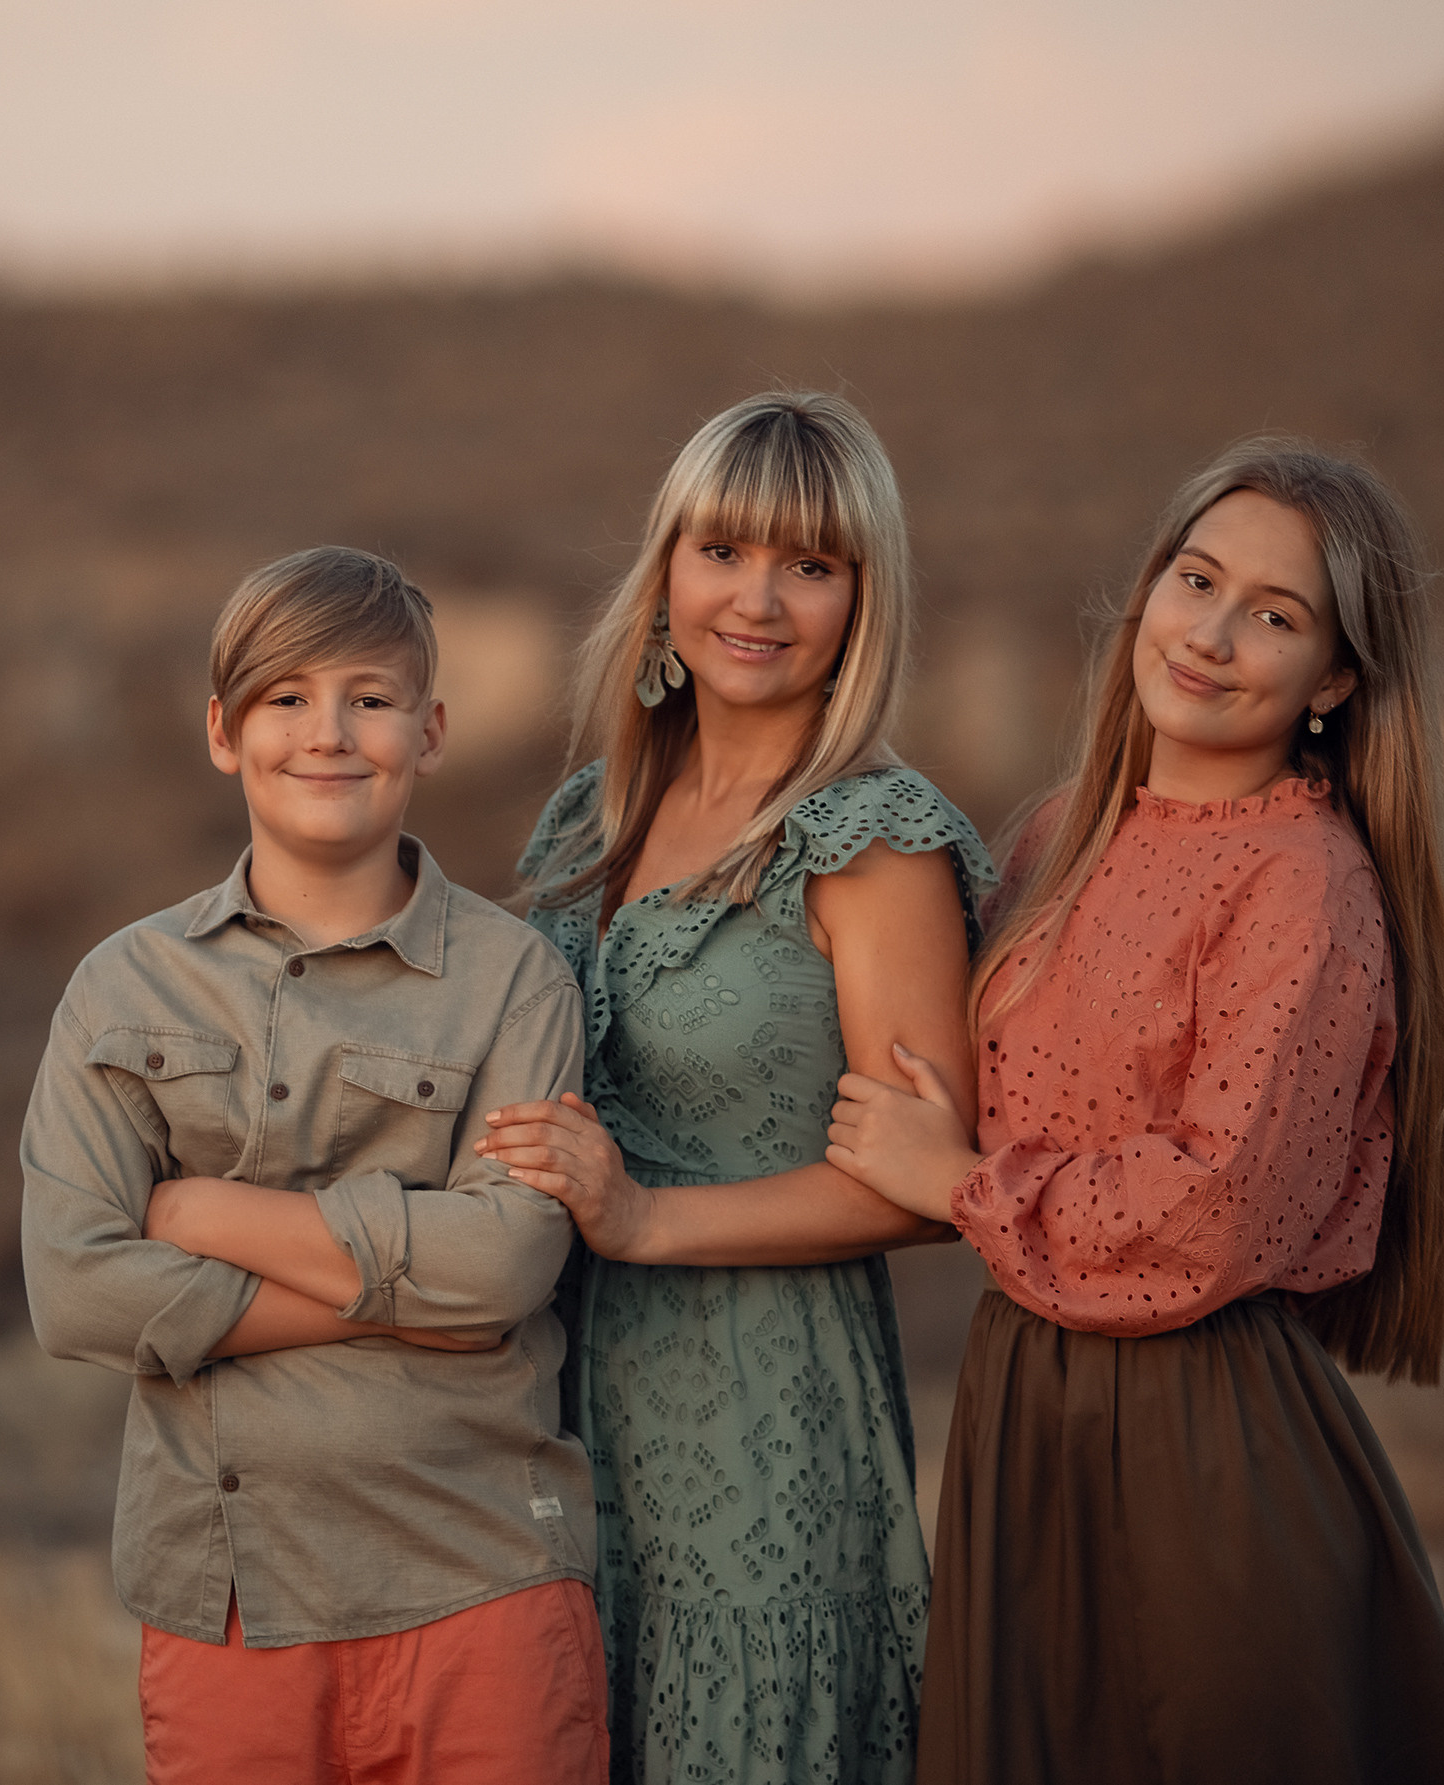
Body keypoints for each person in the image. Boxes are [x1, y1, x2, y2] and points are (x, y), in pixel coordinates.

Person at [826, 440, 1444, 1784]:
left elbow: (1214, 1205)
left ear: (1336, 681)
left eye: (1274, 614)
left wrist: (953, 1180)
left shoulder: (1301, 885)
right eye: (1195, 580)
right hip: (1022, 1413)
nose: (1211, 633)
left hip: (1198, 1437)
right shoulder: (1054, 834)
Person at [20, 547, 607, 1785]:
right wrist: (406, 1298)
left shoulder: (515, 983)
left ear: (430, 731)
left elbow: (502, 1264)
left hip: (482, 1579)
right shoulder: (122, 987)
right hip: (231, 1598)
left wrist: (203, 1211)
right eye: (286, 699)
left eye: (371, 698)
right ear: (224, 733)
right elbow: (75, 1290)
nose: (328, 733)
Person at [480, 392, 998, 1785]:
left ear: (859, 602)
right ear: (664, 573)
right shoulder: (591, 813)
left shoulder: (870, 845)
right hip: (560, 1403)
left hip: (762, 1411)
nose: (755, 599)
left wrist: (644, 1219)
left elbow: (925, 1186)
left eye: (808, 565)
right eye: (721, 551)